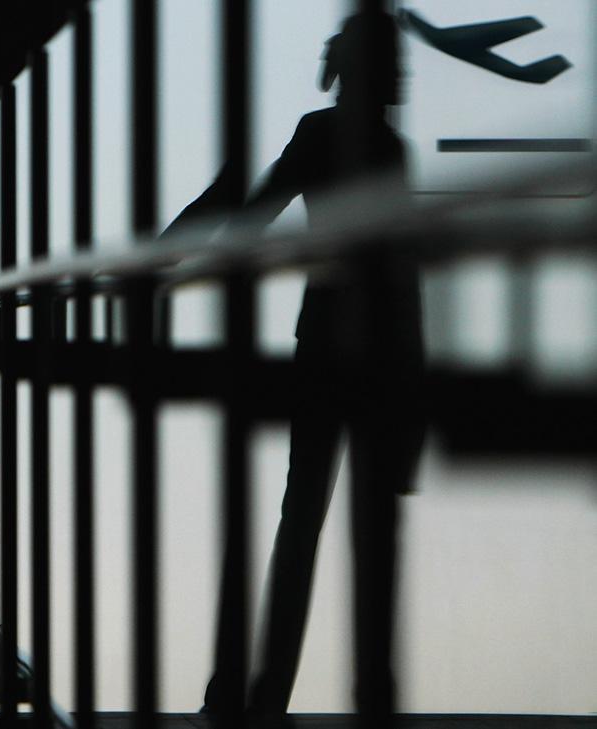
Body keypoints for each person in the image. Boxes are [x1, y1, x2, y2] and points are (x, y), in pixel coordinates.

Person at [182, 10, 425, 721]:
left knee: (301, 523)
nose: (403, 75)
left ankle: (255, 694)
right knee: (363, 534)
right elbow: (402, 274)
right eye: (395, 62)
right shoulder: (390, 149)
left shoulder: (321, 133)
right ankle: (331, 695)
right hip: (378, 355)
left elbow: (254, 217)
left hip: (321, 342)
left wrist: (195, 222)